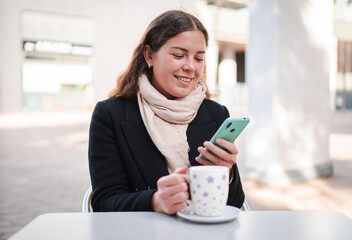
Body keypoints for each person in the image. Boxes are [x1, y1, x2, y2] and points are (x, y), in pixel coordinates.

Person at [88, 10, 245, 214]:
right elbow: (104, 204)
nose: (190, 67)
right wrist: (154, 201)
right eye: (179, 55)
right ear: (149, 55)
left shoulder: (216, 114)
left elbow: (234, 205)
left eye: (199, 58)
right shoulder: (111, 115)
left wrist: (227, 173)